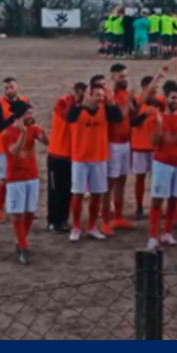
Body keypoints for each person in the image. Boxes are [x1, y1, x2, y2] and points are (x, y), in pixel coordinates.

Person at [67, 83, 124, 241]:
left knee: (97, 194)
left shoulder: (105, 109)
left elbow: (118, 117)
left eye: (102, 95)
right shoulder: (78, 110)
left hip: (99, 158)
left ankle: (92, 227)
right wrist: (82, 104)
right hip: (80, 158)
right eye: (97, 95)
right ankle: (76, 227)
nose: (100, 98)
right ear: (89, 95)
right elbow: (70, 117)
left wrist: (112, 101)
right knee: (78, 194)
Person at [145, 79, 177, 250]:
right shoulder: (156, 117)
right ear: (166, 98)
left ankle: (167, 232)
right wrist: (159, 125)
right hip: (162, 164)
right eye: (173, 98)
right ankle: (152, 236)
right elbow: (154, 142)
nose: (176, 101)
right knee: (157, 201)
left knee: (174, 199)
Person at [2, 104, 48, 264]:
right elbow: (15, 151)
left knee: (29, 212)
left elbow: (47, 143)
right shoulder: (8, 133)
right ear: (20, 116)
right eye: (28, 113)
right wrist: (23, 134)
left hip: (32, 176)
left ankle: (21, 241)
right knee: (17, 214)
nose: (31, 116)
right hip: (16, 178)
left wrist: (43, 132)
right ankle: (23, 246)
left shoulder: (32, 129)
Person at [45, 82, 85, 232]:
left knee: (68, 190)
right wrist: (75, 102)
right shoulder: (62, 102)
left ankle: (63, 220)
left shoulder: (83, 106)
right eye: (79, 93)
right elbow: (68, 117)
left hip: (72, 155)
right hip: (57, 154)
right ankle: (53, 221)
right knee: (55, 190)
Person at [0, 77, 29, 224]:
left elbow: (29, 119)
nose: (9, 90)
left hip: (21, 144)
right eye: (6, 88)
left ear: (17, 87)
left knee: (22, 177)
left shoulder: (24, 100)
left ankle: (21, 208)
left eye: (11, 87)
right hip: (4, 147)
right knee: (4, 179)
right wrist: (15, 116)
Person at [106, 63, 134, 231]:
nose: (124, 79)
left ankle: (118, 216)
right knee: (109, 182)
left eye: (126, 76)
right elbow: (117, 118)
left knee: (122, 181)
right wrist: (129, 102)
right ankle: (106, 218)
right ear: (113, 77)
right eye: (121, 76)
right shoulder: (109, 95)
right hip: (113, 143)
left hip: (125, 143)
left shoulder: (125, 93)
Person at [130, 74, 162, 219]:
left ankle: (156, 207)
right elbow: (132, 122)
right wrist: (145, 115)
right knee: (140, 178)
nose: (155, 90)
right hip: (140, 146)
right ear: (144, 88)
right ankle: (139, 207)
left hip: (156, 147)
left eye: (156, 88)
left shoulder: (160, 101)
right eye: (152, 88)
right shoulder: (137, 100)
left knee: (156, 179)